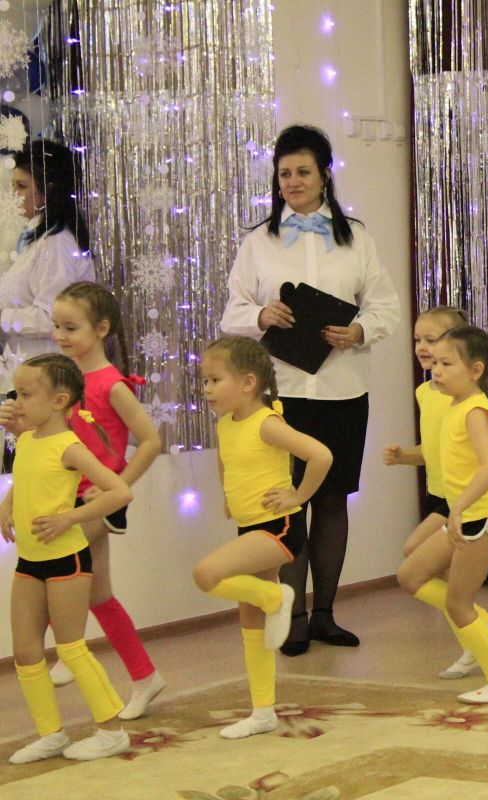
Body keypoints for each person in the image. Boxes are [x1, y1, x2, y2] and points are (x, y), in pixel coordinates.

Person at [221, 124, 401, 655]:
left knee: (332, 499)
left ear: (325, 175)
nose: (293, 182)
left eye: (303, 171)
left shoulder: (357, 237)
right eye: (284, 174)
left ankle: (325, 614)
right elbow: (232, 311)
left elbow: (385, 305)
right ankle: (293, 616)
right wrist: (261, 315)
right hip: (283, 394)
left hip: (344, 389)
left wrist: (359, 330)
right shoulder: (258, 241)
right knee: (287, 505)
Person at [17, 283, 164, 718]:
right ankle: (144, 675)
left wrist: (117, 485)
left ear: (101, 329)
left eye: (70, 327)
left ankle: (69, 647)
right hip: (68, 496)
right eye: (56, 326)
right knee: (98, 593)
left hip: (94, 499)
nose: (59, 335)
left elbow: (151, 441)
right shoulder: (62, 384)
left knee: (56, 566)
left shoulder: (111, 385)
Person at [191, 336, 333, 739]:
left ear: (248, 382)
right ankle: (263, 711)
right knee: (250, 621)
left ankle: (277, 597)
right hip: (250, 526)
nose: (207, 389)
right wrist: (228, 497)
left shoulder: (267, 423)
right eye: (205, 381)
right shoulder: (225, 424)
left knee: (206, 574)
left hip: (280, 528)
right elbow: (226, 463)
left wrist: (298, 496)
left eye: (215, 380)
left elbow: (321, 455)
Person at [2, 354, 133, 763]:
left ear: (59, 401)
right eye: (15, 394)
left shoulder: (70, 448)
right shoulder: (27, 440)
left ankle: (112, 731)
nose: (16, 402)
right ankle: (51, 734)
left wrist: (69, 518)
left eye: (25, 394)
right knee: (26, 651)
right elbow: (27, 478)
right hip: (30, 562)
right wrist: (7, 505)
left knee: (71, 647)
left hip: (67, 562)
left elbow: (119, 492)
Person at [395, 326, 488, 704]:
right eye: (434, 363)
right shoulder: (454, 405)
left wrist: (459, 506)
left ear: (475, 370)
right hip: (469, 516)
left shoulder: (476, 411)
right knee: (410, 575)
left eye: (447, 363)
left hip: (484, 517)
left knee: (457, 603)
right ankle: (486, 624)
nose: (436, 370)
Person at [0, 141, 94, 394]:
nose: (14, 195)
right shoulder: (38, 237)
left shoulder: (55, 243)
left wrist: (3, 317)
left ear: (49, 189)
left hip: (48, 381)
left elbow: (55, 319)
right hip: (30, 376)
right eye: (13, 186)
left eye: (22, 186)